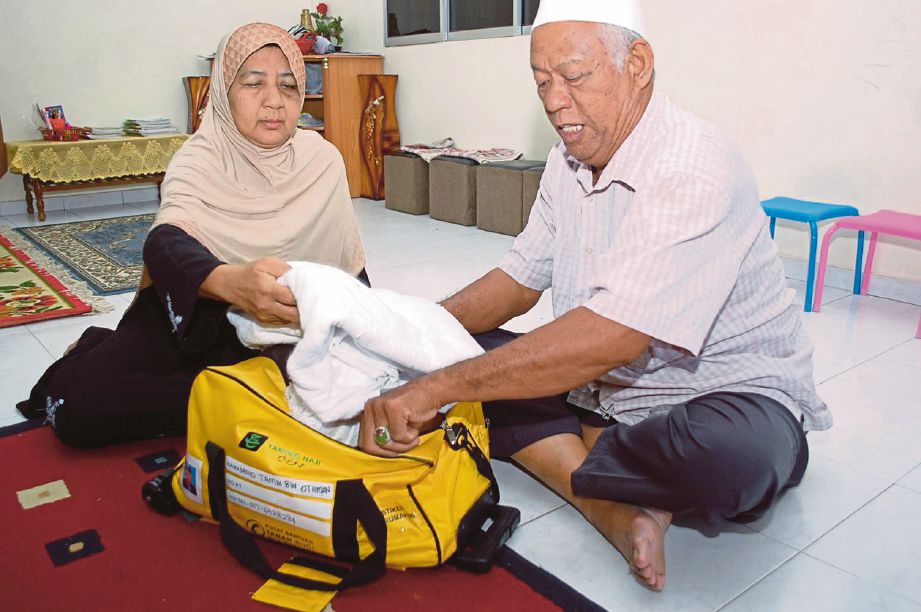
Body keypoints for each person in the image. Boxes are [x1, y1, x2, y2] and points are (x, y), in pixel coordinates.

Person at [357, 1, 829, 592]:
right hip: (600, 386)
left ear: (638, 63)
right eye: (542, 81)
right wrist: (411, 329)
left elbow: (615, 336)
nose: (555, 101)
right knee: (456, 350)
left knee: (728, 462)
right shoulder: (567, 160)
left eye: (575, 77)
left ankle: (581, 448)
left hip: (718, 390)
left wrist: (437, 387)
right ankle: (610, 498)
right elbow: (519, 279)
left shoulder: (694, 163)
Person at [19, 23, 366, 448]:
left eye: (289, 86)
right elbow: (166, 242)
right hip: (196, 310)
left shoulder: (323, 159)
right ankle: (232, 394)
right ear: (223, 91)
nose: (274, 101)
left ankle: (238, 395)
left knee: (354, 382)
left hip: (285, 329)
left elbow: (350, 270)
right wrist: (230, 282)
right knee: (78, 407)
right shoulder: (200, 158)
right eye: (253, 83)